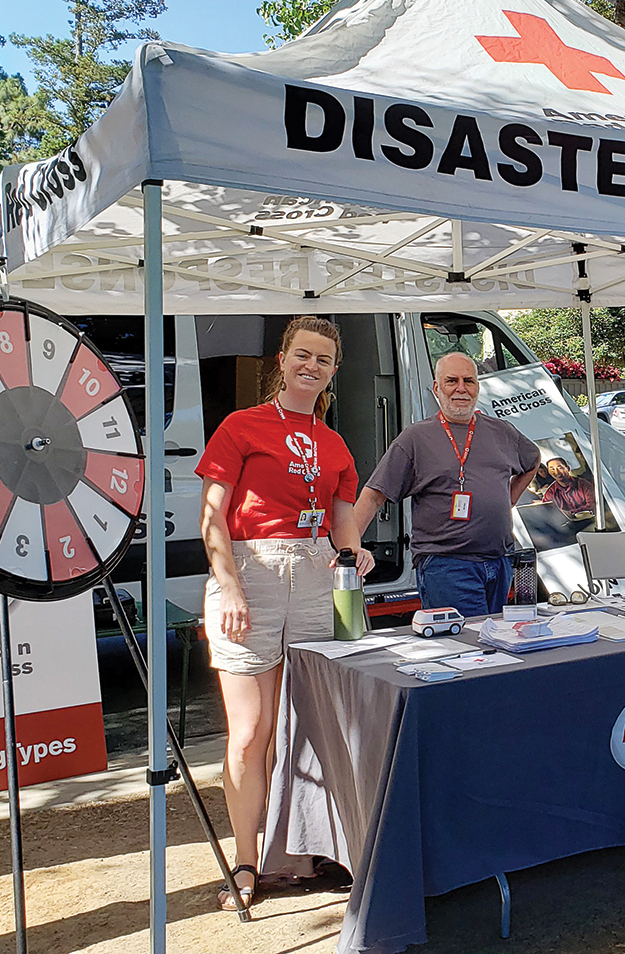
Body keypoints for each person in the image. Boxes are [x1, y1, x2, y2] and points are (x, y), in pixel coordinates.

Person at [195, 316, 371, 911]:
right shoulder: (240, 427)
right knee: (251, 733)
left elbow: (342, 520)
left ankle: (306, 851)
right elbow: (212, 517)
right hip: (251, 574)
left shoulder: (334, 443)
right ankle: (245, 862)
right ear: (283, 358)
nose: (312, 366)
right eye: (303, 354)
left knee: (313, 727)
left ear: (333, 370)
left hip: (316, 576)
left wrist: (353, 551)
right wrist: (232, 587)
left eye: (324, 359)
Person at [356, 352, 539, 616]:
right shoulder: (416, 438)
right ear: (436, 388)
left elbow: (532, 461)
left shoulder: (502, 431)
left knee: (496, 649)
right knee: (467, 650)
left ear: (478, 386)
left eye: (469, 381)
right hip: (447, 566)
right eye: (451, 381)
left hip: (499, 562)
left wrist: (507, 500)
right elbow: (374, 495)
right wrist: (348, 548)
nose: (461, 389)